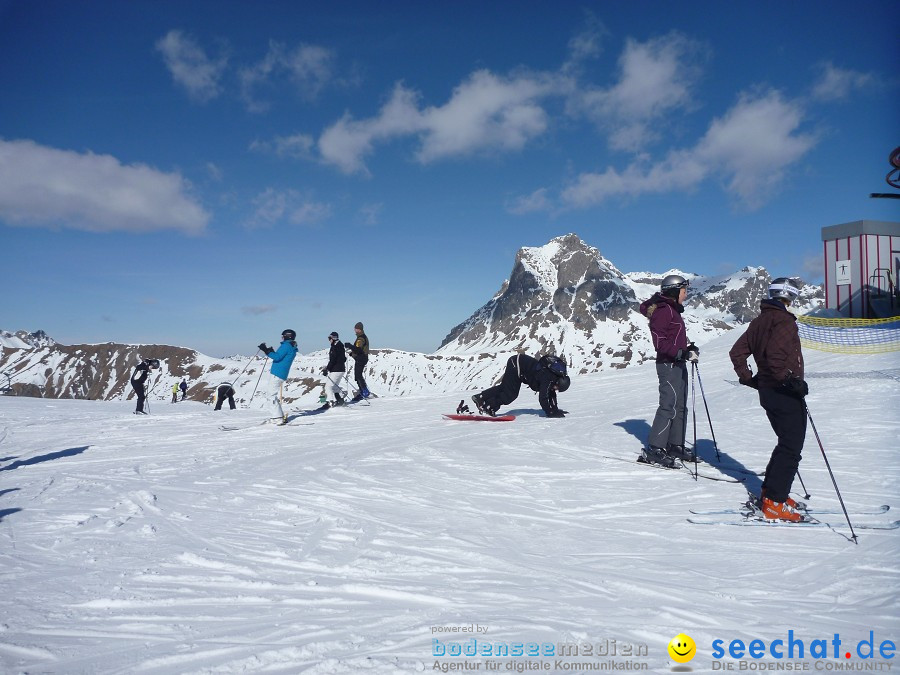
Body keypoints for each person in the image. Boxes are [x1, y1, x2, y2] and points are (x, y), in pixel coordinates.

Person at [729, 277, 808, 522]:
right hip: (783, 392)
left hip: (768, 392)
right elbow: (775, 358)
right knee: (791, 447)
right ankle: (774, 502)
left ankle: (772, 493)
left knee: (785, 443)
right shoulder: (784, 321)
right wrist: (790, 381)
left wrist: (749, 378)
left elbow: (737, 352)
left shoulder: (760, 320)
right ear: (790, 296)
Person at [639, 274, 699, 467]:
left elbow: (673, 339)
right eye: (684, 291)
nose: (686, 294)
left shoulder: (673, 310)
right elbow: (660, 343)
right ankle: (655, 448)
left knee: (680, 406)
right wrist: (681, 354)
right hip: (668, 365)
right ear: (674, 291)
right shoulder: (664, 311)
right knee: (668, 406)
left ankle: (675, 444)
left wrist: (687, 350)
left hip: (677, 363)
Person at [472, 353, 570, 418]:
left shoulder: (554, 378)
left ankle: (481, 398)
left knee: (505, 388)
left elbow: (551, 394)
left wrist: (555, 409)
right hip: (516, 364)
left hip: (518, 363)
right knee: (510, 394)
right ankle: (487, 406)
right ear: (558, 382)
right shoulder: (548, 379)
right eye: (558, 388)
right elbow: (543, 397)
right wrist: (550, 412)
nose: (556, 390)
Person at [257, 329, 299, 423]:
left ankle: (277, 418)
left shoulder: (286, 345)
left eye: (283, 336)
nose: (282, 338)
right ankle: (278, 416)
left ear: (287, 336)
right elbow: (279, 356)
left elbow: (277, 357)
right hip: (280, 373)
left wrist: (266, 351)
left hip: (277, 373)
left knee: (270, 395)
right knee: (272, 395)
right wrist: (270, 351)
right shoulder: (291, 346)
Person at [344, 322, 370, 401]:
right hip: (362, 358)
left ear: (358, 329)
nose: (354, 330)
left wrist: (350, 346)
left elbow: (358, 349)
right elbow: (359, 349)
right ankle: (363, 391)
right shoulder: (361, 337)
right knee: (358, 375)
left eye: (355, 328)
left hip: (361, 358)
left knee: (358, 375)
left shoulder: (361, 338)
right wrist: (352, 354)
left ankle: (364, 391)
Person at [323, 331, 347, 407]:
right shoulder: (340, 346)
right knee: (335, 387)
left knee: (328, 386)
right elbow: (344, 358)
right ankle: (340, 401)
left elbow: (333, 359)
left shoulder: (335, 347)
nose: (329, 340)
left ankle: (330, 402)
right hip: (341, 369)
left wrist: (327, 369)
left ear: (333, 338)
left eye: (329, 338)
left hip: (336, 369)